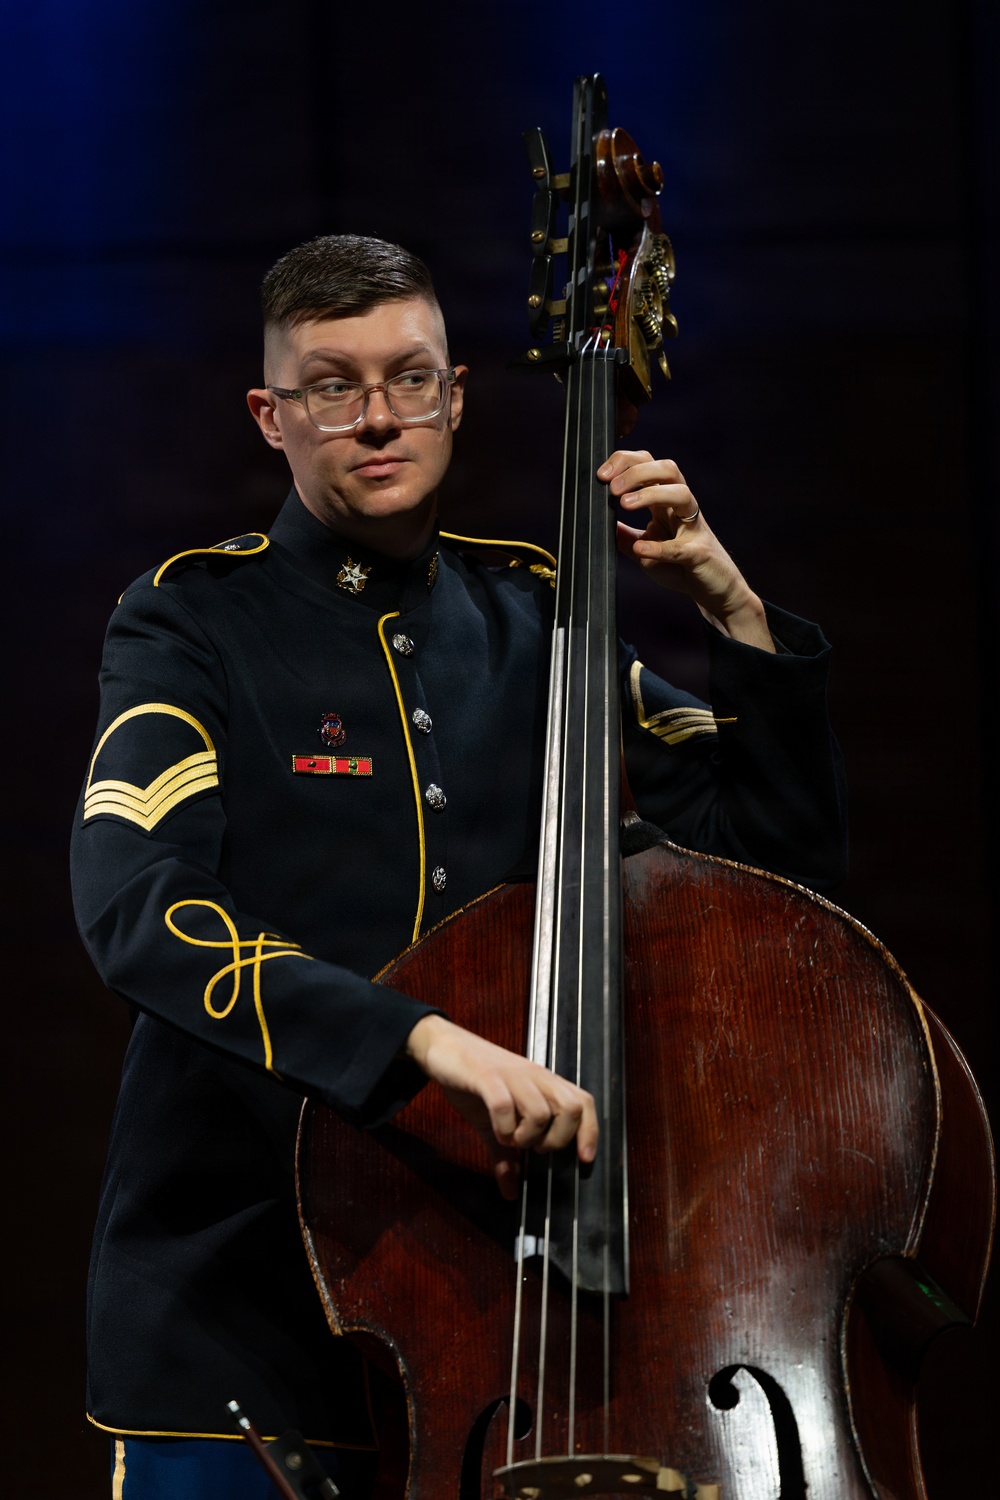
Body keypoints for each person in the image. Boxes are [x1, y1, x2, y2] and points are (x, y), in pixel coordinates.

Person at [71, 234, 846, 1498]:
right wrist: (425, 1042)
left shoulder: (542, 615)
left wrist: (732, 611)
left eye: (410, 378)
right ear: (272, 416)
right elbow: (138, 912)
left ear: (457, 393)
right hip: (239, 1312)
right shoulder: (187, 621)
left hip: (508, 1307)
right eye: (333, 386)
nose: (378, 417)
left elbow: (778, 878)